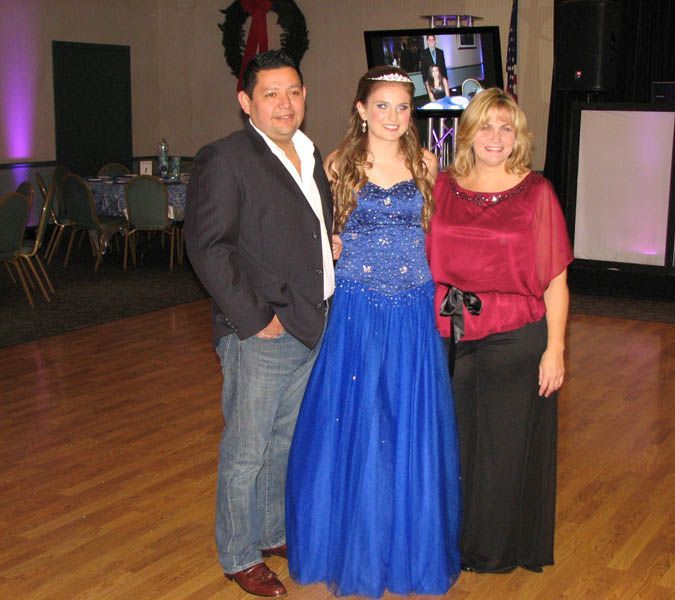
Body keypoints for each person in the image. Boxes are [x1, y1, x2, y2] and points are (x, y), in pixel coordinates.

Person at [286, 65, 461, 597]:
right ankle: (349, 540)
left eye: (402, 107)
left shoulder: (428, 162)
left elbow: (442, 235)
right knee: (357, 420)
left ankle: (407, 543)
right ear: (361, 109)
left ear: (413, 113)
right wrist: (332, 247)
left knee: (406, 421)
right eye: (381, 105)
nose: (392, 116)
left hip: (410, 310)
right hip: (359, 309)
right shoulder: (336, 163)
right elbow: (315, 231)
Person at [184, 49, 338, 598]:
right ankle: (239, 554)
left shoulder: (308, 152)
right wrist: (255, 321)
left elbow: (296, 226)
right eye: (270, 93)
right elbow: (207, 246)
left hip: (310, 324)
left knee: (283, 443)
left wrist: (329, 243)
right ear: (246, 100)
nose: (285, 103)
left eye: (293, 91)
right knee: (246, 450)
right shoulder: (224, 158)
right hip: (262, 333)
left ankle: (271, 532)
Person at [427, 88, 573, 574]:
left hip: (515, 334)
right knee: (452, 444)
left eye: (505, 128)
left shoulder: (537, 191)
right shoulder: (442, 186)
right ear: (467, 132)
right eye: (486, 126)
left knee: (503, 449)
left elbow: (555, 279)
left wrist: (555, 348)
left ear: (518, 137)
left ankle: (492, 550)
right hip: (448, 333)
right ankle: (449, 543)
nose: (495, 137)